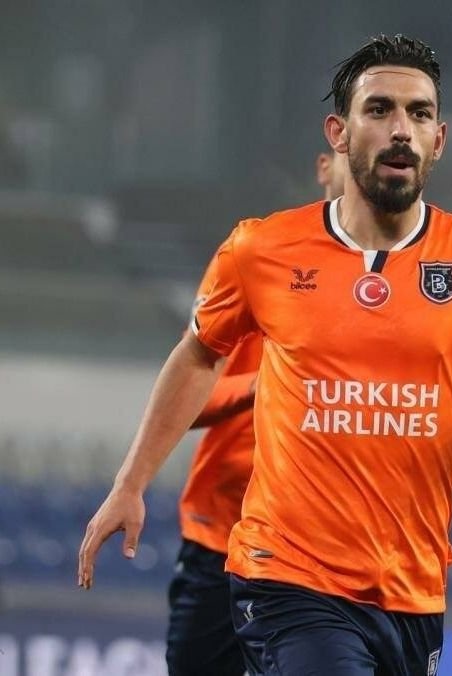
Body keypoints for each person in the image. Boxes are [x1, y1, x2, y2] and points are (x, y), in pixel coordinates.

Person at [79, 34, 452, 675]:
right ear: (339, 132)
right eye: (379, 109)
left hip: (412, 591)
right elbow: (198, 355)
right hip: (286, 575)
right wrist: (130, 483)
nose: (401, 129)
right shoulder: (261, 250)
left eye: (419, 114)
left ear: (439, 139)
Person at [165, 150, 347, 676]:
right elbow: (188, 399)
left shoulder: (395, 285)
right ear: (324, 166)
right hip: (222, 532)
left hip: (321, 556)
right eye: (348, 155)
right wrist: (266, 385)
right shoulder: (263, 258)